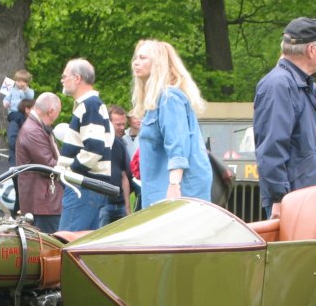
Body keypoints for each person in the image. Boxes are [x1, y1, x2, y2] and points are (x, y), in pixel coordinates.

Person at [253, 17, 316, 219]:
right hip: (295, 203)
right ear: (312, 49)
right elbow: (271, 147)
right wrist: (278, 199)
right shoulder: (279, 85)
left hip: (310, 199)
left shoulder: (303, 85)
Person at [130, 39, 212, 208]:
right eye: (136, 58)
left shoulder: (169, 98)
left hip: (178, 188)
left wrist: (174, 186)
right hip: (160, 187)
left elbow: (178, 146)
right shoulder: (157, 100)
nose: (135, 63)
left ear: (158, 63)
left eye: (143, 58)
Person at [56, 58, 113, 231]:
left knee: (66, 245)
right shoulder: (92, 106)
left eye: (65, 76)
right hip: (88, 187)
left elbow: (94, 149)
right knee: (82, 249)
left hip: (82, 187)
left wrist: (69, 172)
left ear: (77, 78)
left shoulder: (90, 106)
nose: (62, 80)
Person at [15, 92, 63, 233]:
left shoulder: (35, 128)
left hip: (42, 202)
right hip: (43, 204)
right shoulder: (33, 131)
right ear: (51, 111)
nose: (56, 118)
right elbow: (49, 165)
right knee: (50, 249)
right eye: (57, 114)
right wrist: (71, 165)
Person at [99, 105, 134, 225]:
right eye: (118, 124)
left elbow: (124, 176)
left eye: (123, 124)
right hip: (102, 204)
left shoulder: (120, 144)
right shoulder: (97, 143)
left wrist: (127, 207)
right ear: (108, 123)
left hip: (120, 204)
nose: (122, 128)